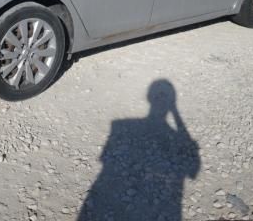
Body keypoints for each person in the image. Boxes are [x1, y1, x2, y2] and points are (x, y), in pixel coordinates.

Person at [79, 79, 200, 221]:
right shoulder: (121, 126)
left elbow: (104, 158)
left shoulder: (120, 126)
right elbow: (193, 170)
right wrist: (174, 111)